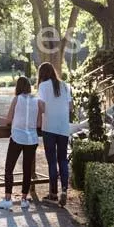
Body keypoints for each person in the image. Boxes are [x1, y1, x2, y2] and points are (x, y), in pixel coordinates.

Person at [0, 76, 44, 211]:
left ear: (18, 87)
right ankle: (23, 199)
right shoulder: (37, 101)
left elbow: (8, 119)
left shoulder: (16, 99)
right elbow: (39, 124)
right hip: (32, 139)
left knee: (9, 168)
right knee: (27, 170)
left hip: (17, 137)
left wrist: (1, 121)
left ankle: (7, 199)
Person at [36, 62, 72, 207]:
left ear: (41, 74)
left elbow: (42, 108)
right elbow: (70, 107)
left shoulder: (43, 86)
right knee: (62, 159)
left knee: (52, 161)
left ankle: (53, 193)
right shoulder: (65, 85)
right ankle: (64, 190)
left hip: (49, 127)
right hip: (63, 128)